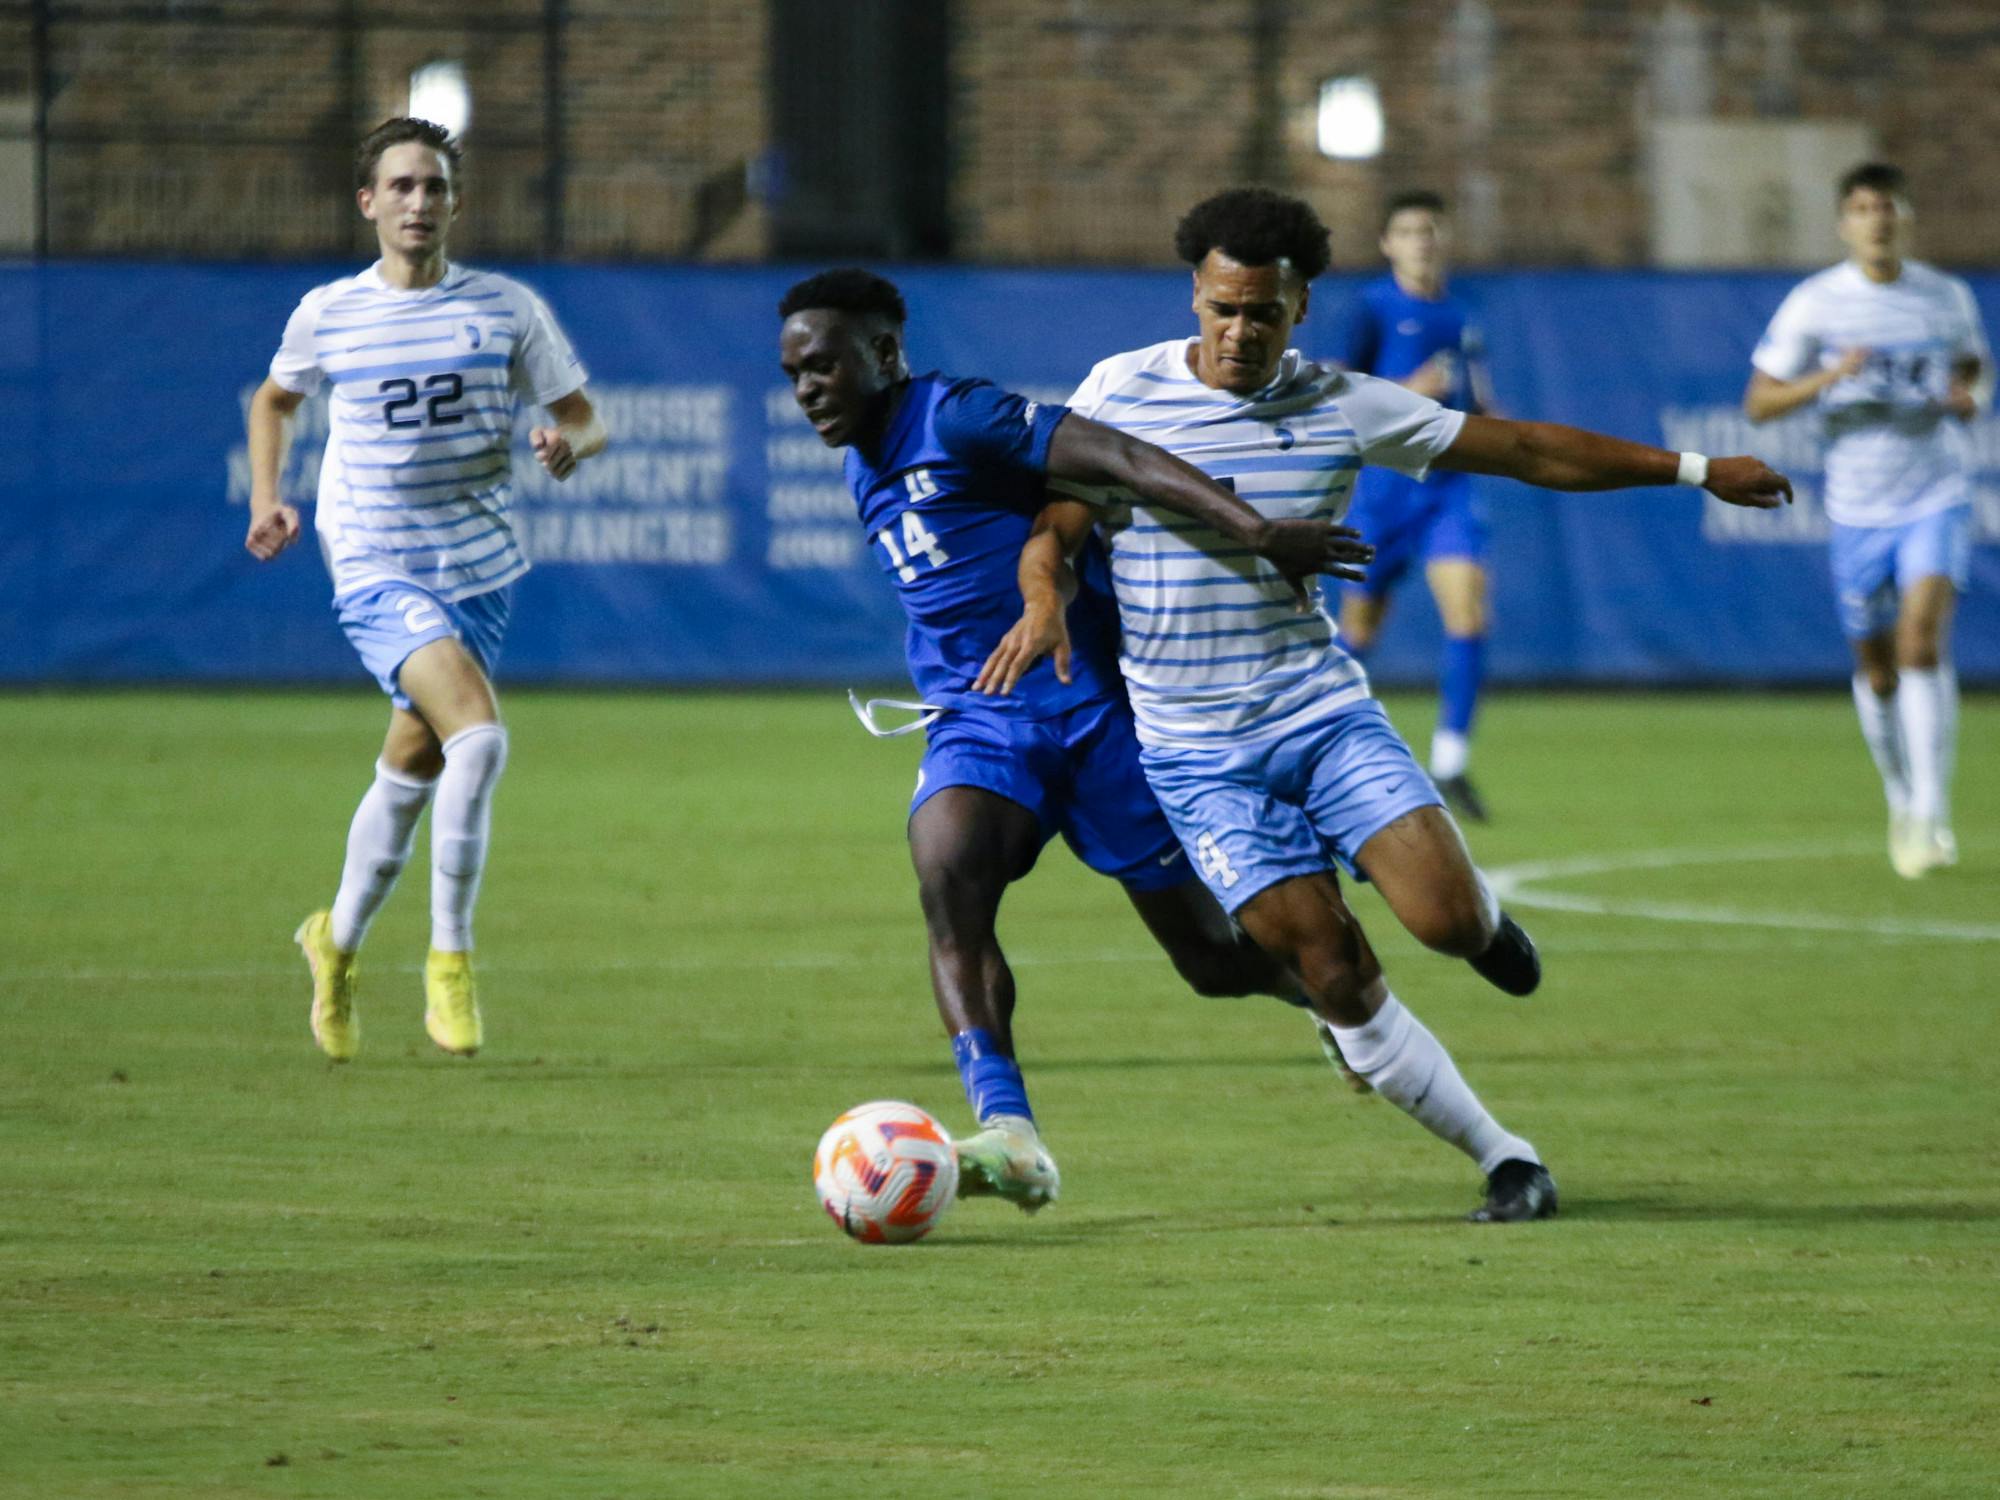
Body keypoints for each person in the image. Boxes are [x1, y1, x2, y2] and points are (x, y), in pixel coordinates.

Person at [980, 188, 1791, 1221]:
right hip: (1194, 752)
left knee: (1445, 922)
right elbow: (1055, 525)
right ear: (1195, 293)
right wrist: (1044, 599)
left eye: (1261, 314)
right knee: (1325, 962)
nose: (1238, 331)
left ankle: (1482, 925)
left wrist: (1692, 469)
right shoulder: (1118, 391)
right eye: (1222, 307)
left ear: (1300, 306)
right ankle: (1506, 1158)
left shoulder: (1342, 403)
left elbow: (1522, 449)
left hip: (1318, 715)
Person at [777, 267, 1375, 1211]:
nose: (808, 390)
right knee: (947, 871)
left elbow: (1120, 459)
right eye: (794, 375)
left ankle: (1333, 1006)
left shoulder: (961, 416)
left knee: (1212, 963)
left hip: (1094, 712)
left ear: (886, 354)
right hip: (981, 720)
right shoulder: (863, 458)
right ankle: (1011, 1133)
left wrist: (1256, 532)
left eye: (824, 368)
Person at [243, 117, 607, 1061]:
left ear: (455, 203)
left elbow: (583, 416)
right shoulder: (331, 312)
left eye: (434, 187)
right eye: (400, 186)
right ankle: (451, 962)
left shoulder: (505, 309)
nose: (418, 202)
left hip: (477, 567)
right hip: (371, 555)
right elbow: (274, 398)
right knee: (478, 740)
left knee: (416, 763)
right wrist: (270, 498)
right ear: (368, 202)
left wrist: (570, 445)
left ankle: (336, 941)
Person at [1744, 161, 1989, 879]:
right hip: (1856, 506)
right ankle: (1899, 794)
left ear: (1906, 218)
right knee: (1877, 671)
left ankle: (1931, 816)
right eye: (1861, 207)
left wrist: (1968, 395)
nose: (1876, 219)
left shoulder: (1944, 297)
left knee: (1921, 642)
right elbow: (1760, 402)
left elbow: (1973, 365)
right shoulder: (1817, 303)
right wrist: (1831, 376)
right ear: (1843, 223)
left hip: (1935, 490)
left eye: (1887, 206)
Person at [1324, 190, 1501, 820]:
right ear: (1387, 244)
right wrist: (1409, 389)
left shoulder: (1462, 314)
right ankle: (1321, 745)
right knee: (1360, 629)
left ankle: (1450, 762)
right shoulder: (1374, 306)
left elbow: (1478, 401)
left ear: (1444, 238)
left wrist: (1504, 434)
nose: (1421, 240)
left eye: (1430, 228)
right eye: (1407, 230)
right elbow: (1338, 392)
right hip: (1383, 492)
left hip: (1447, 488)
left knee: (1470, 612)